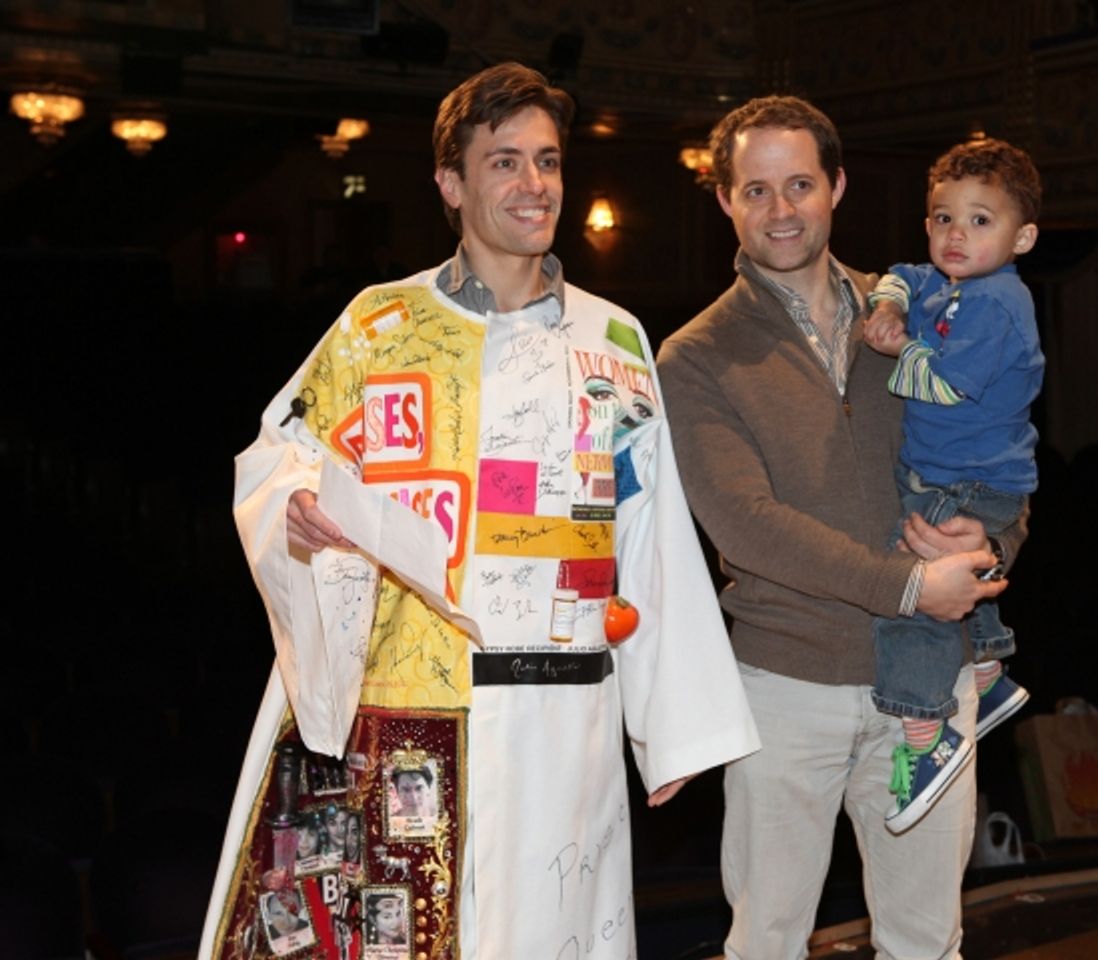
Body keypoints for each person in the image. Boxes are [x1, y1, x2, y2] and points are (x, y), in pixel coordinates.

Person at [199, 62, 759, 960]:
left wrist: (673, 723)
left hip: (558, 716)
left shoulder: (611, 339)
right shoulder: (377, 326)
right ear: (452, 184)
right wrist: (293, 504)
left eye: (547, 161)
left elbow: (649, 531)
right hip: (402, 708)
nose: (534, 185)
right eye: (504, 162)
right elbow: (280, 454)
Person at [656, 95, 1025, 960]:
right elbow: (748, 527)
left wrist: (989, 550)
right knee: (767, 943)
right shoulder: (694, 356)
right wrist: (910, 586)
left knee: (927, 942)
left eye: (799, 185)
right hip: (786, 693)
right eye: (755, 190)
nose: (780, 211)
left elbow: (1000, 446)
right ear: (724, 202)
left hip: (932, 688)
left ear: (838, 187)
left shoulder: (930, 316)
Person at [862, 137, 1044, 833]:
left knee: (912, 594)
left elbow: (943, 382)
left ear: (1022, 236)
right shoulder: (951, 280)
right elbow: (903, 272)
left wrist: (894, 346)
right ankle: (990, 679)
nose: (954, 235)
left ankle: (926, 737)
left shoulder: (998, 303)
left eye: (979, 221)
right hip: (965, 475)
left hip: (968, 481)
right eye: (942, 218)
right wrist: (889, 297)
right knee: (942, 573)